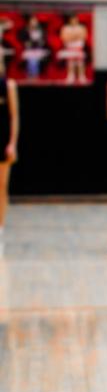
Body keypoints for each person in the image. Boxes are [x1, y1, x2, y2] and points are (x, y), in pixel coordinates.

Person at [0, 51, 16, 255]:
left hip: (2, 140)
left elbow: (14, 116)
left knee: (1, 186)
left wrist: (12, 142)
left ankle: (0, 230)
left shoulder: (8, 85)